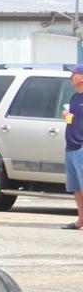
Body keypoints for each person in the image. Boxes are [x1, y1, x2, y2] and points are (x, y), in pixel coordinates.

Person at [63, 64, 83, 229]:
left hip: (81, 149)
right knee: (76, 188)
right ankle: (80, 220)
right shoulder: (75, 97)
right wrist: (68, 117)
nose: (71, 77)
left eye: (74, 74)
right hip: (70, 148)